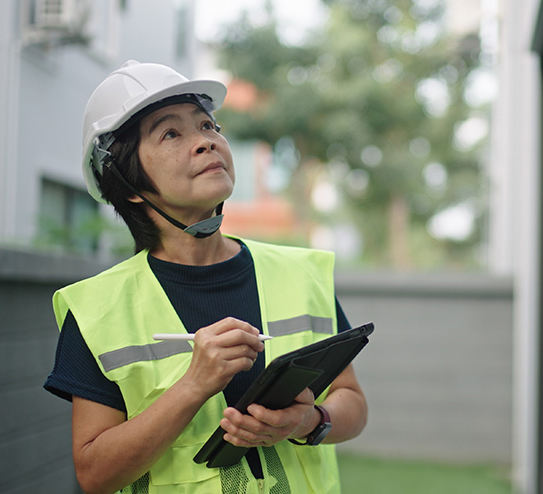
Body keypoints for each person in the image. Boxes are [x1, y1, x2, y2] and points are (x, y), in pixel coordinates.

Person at [44, 60, 368, 494]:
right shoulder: (98, 311)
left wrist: (309, 421)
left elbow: (353, 404)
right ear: (129, 185)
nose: (205, 143)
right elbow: (95, 474)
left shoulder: (300, 274)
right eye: (171, 133)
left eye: (209, 125)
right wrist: (193, 385)